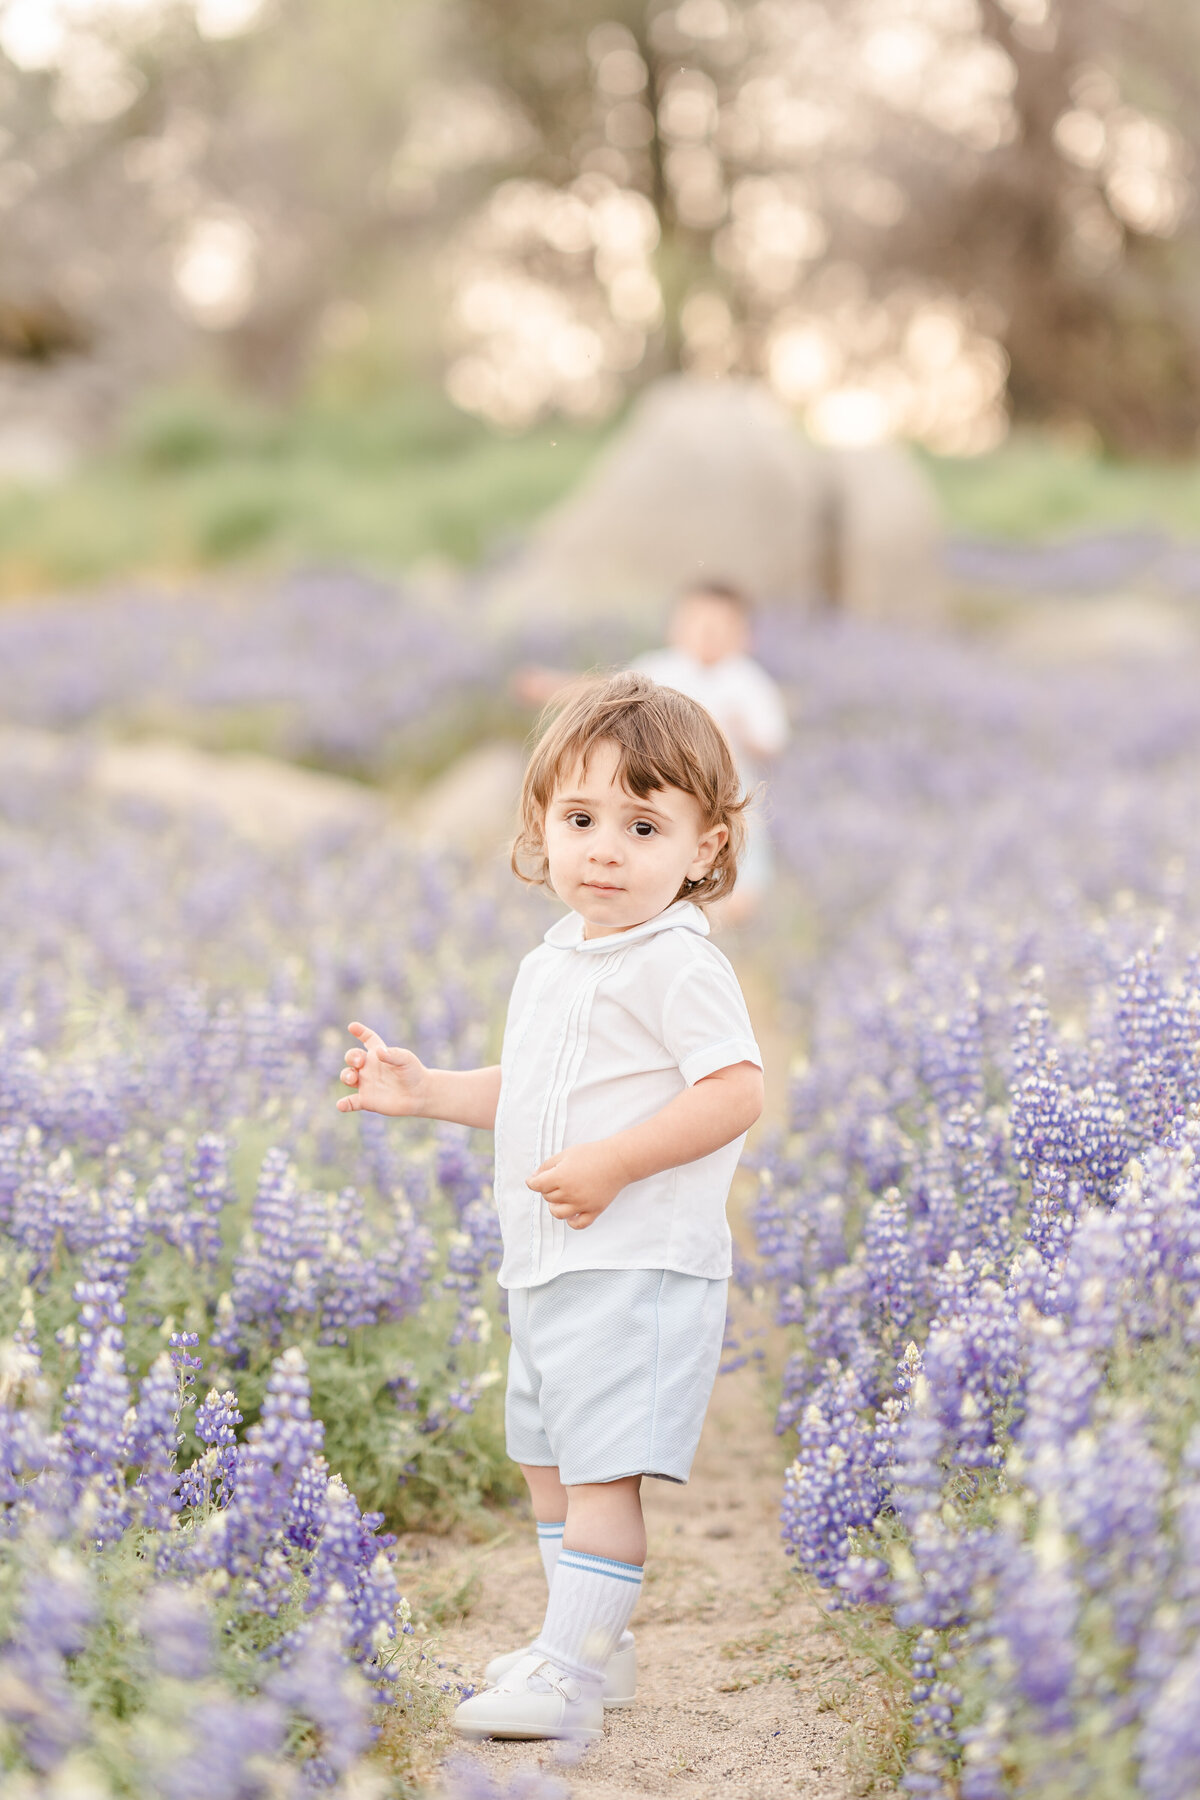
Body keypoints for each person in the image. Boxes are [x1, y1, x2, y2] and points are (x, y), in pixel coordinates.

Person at [336, 672, 764, 1743]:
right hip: (546, 1262)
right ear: (541, 827)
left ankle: (569, 1668)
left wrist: (616, 1161)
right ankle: (592, 1644)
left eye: (642, 823)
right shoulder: (558, 959)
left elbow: (736, 1089)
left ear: (706, 848)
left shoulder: (677, 961)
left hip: (636, 1261)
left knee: (601, 1466)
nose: (605, 849)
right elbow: (530, 1095)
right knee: (544, 1456)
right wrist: (428, 1092)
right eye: (580, 820)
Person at [515, 581, 790, 922]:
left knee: (742, 868)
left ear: (746, 637)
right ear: (675, 628)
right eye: (697, 624)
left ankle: (731, 928)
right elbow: (604, 691)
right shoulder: (663, 668)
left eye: (721, 628)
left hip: (729, 792)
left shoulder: (746, 681)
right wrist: (551, 687)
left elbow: (772, 741)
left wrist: (746, 734)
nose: (708, 634)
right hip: (657, 787)